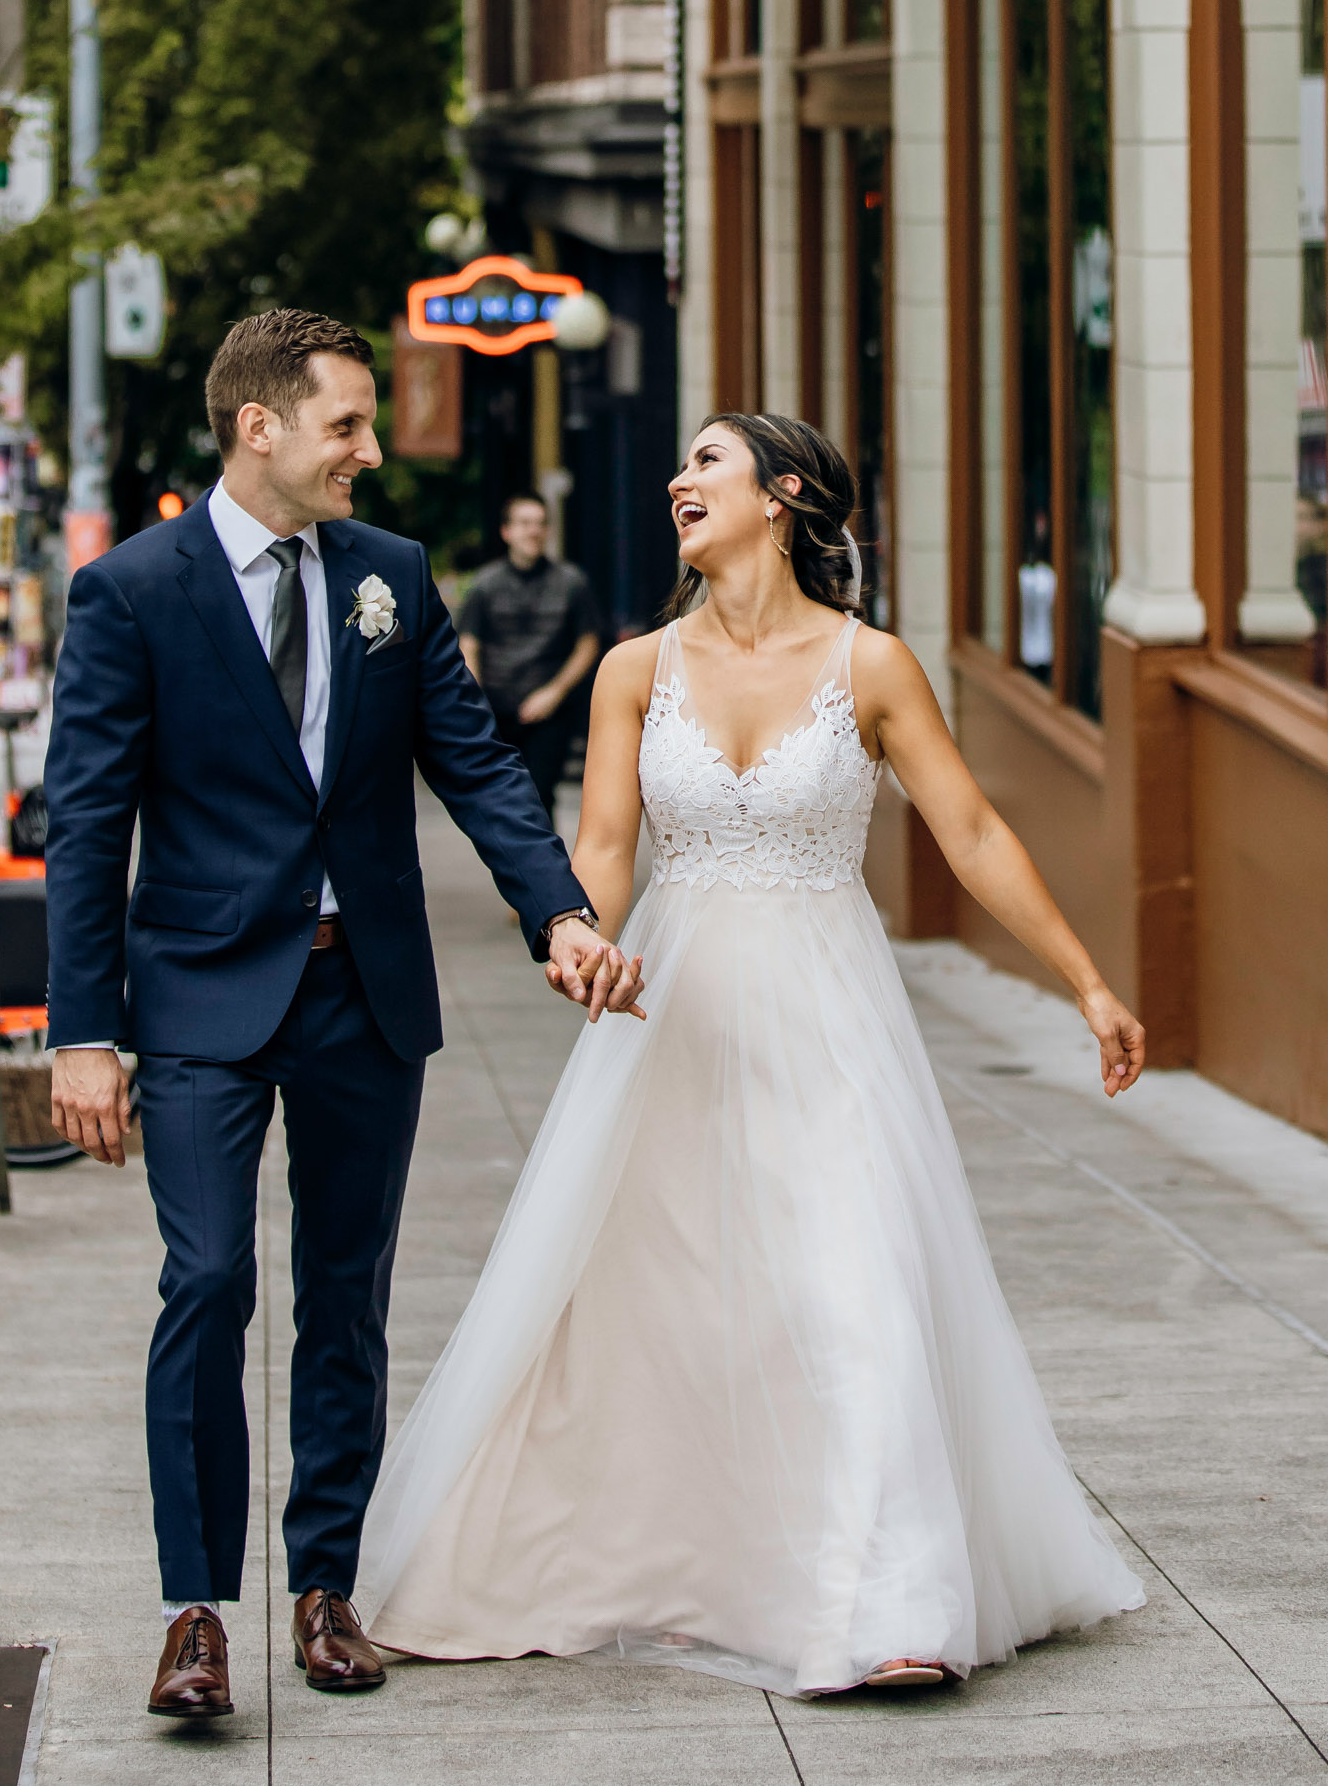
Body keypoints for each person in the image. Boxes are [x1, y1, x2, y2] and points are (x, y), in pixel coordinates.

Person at [359, 409, 1148, 1695]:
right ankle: (650, 1555)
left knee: (856, 1278)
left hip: (828, 1011)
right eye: (681, 466)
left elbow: (974, 832)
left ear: (780, 496)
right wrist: (581, 942)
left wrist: (1090, 983)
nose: (680, 480)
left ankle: (895, 1602)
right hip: (670, 1013)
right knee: (644, 1297)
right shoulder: (633, 669)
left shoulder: (873, 665)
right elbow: (605, 846)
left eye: (708, 462)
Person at [41, 309, 642, 1727]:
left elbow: (477, 761)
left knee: (345, 1297)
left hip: (360, 987)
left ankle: (326, 1586)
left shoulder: (393, 580)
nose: (370, 452)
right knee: (207, 1282)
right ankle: (194, 1609)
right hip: (197, 992)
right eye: (349, 426)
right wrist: (83, 1031)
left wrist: (555, 909)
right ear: (261, 427)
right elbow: (86, 822)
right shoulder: (132, 592)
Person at [456, 495, 602, 823]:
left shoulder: (571, 583)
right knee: (499, 798)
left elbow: (588, 643)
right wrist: (477, 703)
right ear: (506, 531)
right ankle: (511, 872)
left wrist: (554, 692)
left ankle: (542, 873)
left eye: (540, 523)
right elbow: (469, 644)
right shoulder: (485, 584)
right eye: (524, 523)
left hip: (549, 713)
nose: (533, 531)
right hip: (496, 711)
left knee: (539, 796)